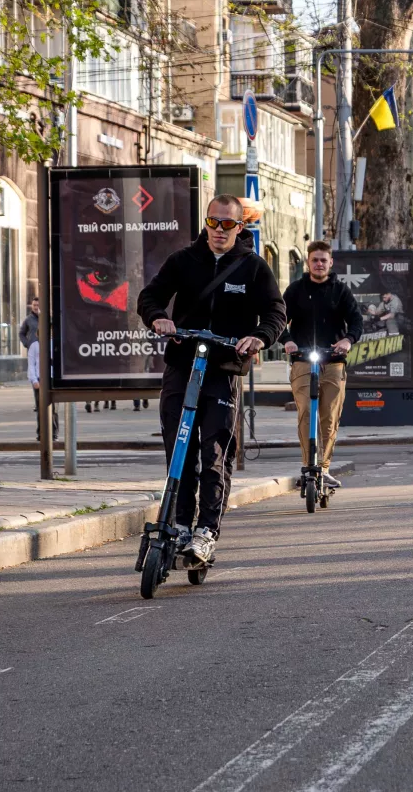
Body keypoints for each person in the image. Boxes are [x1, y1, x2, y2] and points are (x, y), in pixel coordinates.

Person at [136, 194, 285, 564]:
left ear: (240, 226)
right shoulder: (183, 261)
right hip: (182, 365)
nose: (219, 230)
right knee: (179, 450)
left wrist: (259, 338)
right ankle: (181, 525)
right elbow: (150, 296)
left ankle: (206, 532)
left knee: (215, 454)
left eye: (228, 224)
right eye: (213, 222)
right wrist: (158, 317)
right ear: (206, 222)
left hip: (223, 369)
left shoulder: (253, 267)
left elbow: (275, 312)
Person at [281, 241, 362, 490]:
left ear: (330, 263)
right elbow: (278, 320)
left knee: (329, 418)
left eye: (323, 260)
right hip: (303, 361)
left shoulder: (341, 291)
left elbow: (357, 321)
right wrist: (288, 341)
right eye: (315, 260)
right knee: (307, 413)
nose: (319, 264)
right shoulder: (295, 290)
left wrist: (348, 340)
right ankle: (308, 466)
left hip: (333, 362)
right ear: (308, 262)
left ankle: (323, 468)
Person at [27, 337, 58, 442]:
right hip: (39, 379)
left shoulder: (55, 343)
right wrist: (34, 380)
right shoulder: (34, 346)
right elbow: (31, 364)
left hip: (52, 378)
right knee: (41, 408)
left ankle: (53, 432)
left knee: (53, 408)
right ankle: (41, 432)